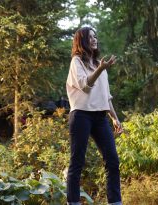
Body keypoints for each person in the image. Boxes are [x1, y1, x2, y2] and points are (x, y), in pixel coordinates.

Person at [66, 26, 123, 205]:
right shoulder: (77, 62)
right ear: (82, 40)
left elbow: (106, 97)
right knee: (77, 162)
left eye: (95, 36)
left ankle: (115, 202)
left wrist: (115, 118)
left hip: (100, 117)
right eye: (90, 37)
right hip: (81, 115)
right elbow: (85, 86)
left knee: (112, 161)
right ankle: (73, 202)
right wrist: (100, 69)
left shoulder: (101, 66)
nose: (94, 39)